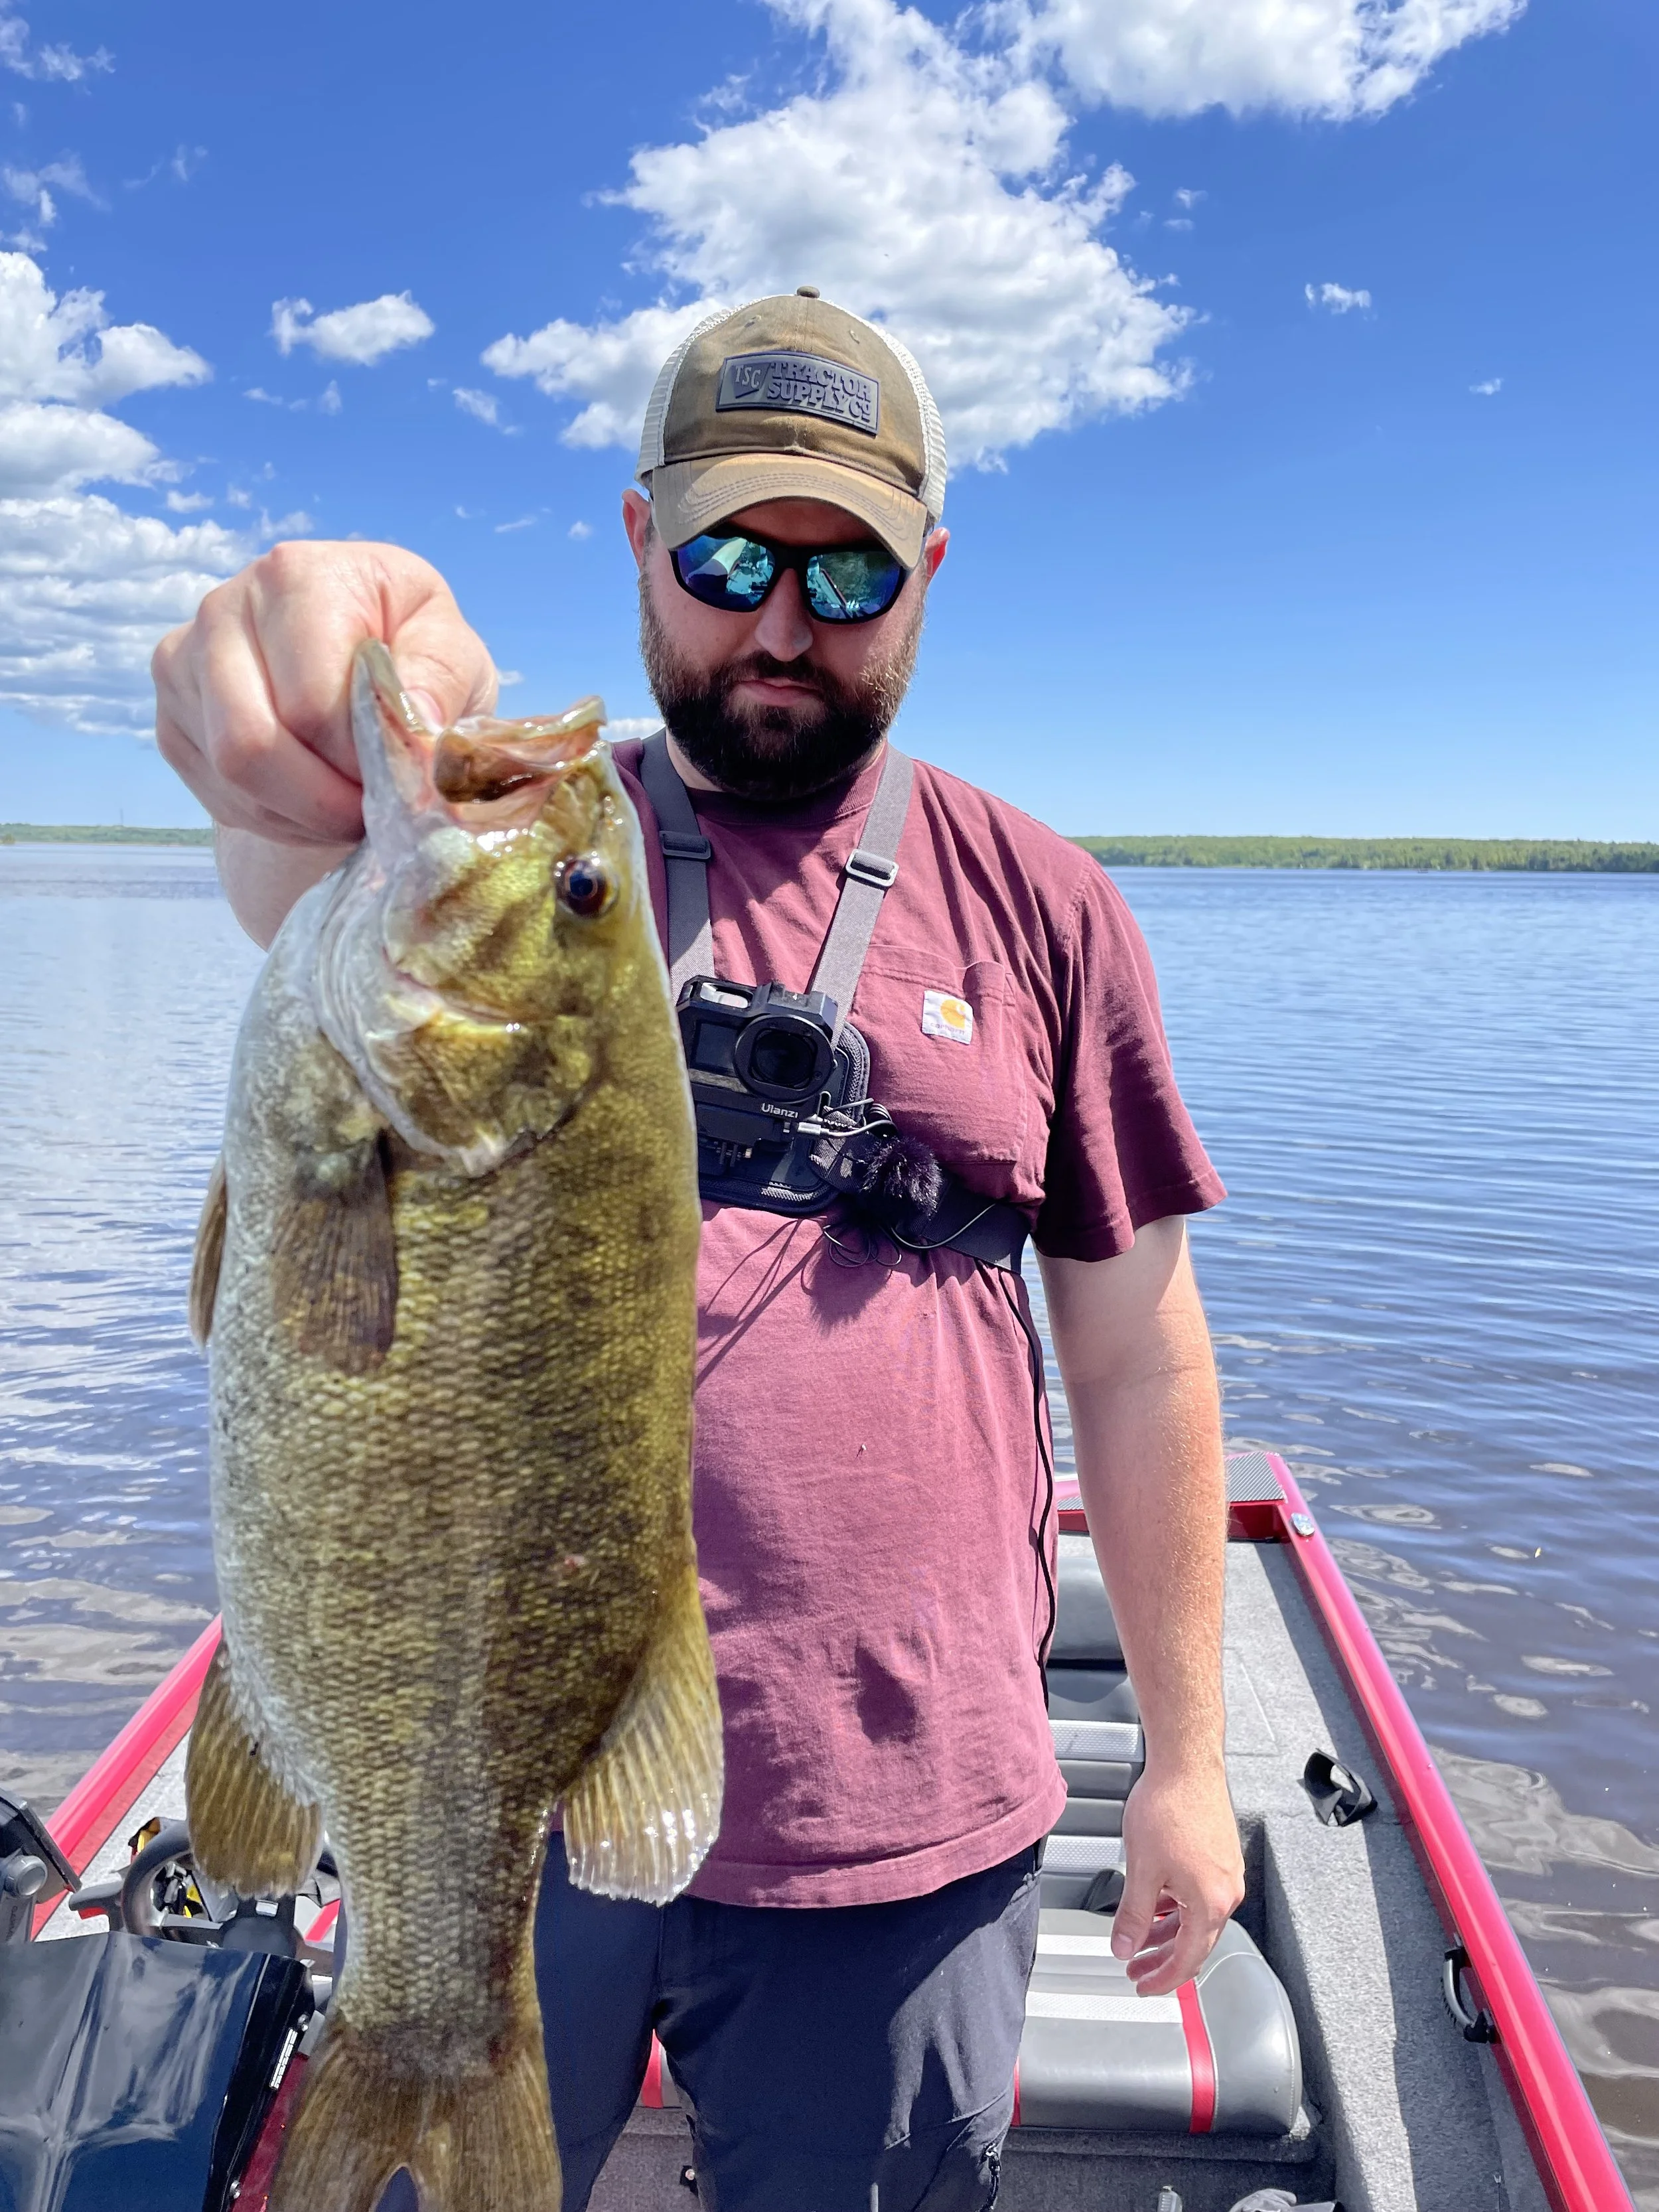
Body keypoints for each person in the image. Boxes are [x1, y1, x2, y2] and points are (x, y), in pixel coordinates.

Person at [154, 290, 1245, 2211]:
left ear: (929, 576)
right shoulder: (510, 855)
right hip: (502, 1792)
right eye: (733, 555)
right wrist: (301, 707)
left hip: (902, 1817)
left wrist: (1179, 1759)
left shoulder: (1042, 904)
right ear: (643, 541)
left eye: (850, 570)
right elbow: (292, 852)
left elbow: (1143, 1352)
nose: (782, 621)